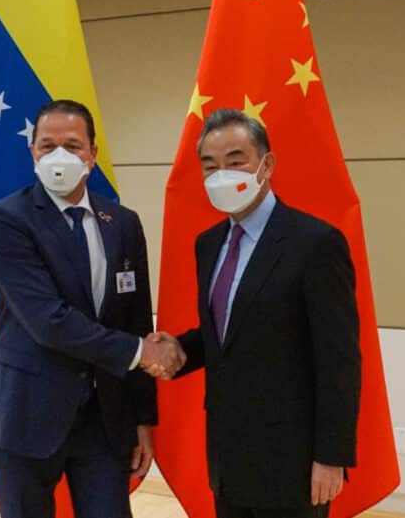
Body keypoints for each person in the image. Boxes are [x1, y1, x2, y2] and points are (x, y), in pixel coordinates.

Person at [0, 99, 184, 518]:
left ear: (92, 154)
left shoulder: (122, 222)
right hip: (26, 409)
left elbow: (136, 319)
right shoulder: (6, 220)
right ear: (33, 153)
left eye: (72, 145)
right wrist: (143, 352)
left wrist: (142, 418)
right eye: (48, 146)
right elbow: (48, 321)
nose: (59, 156)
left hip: (104, 417)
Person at [151, 108, 361, 518]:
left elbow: (339, 359)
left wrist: (331, 456)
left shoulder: (315, 243)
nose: (222, 175)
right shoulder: (208, 243)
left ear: (267, 165)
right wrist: (176, 350)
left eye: (236, 161)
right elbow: (226, 333)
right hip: (228, 455)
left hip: (293, 460)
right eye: (210, 166)